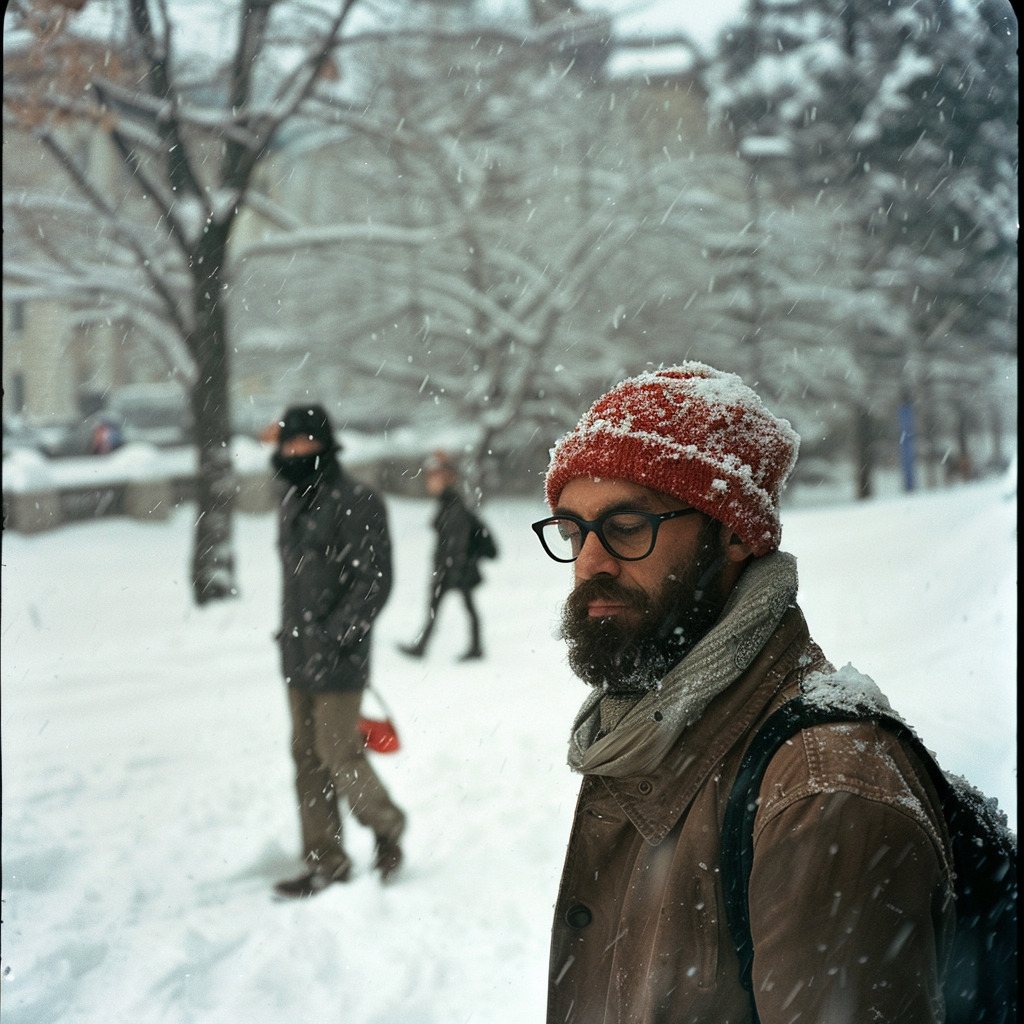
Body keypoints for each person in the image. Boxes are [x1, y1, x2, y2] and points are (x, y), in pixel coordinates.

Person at [533, 363, 954, 1022]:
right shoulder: (650, 728)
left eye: (625, 526)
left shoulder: (824, 792)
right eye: (571, 531)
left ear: (734, 534)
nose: (590, 562)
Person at [271, 404, 406, 897]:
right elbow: (298, 582)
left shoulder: (357, 500)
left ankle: (387, 825)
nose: (296, 451)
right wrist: (295, 635)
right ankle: (326, 861)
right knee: (306, 759)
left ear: (326, 445)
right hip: (296, 654)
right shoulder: (291, 501)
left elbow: (374, 581)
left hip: (339, 657)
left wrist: (335, 635)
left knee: (338, 753)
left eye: (305, 441)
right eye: (289, 443)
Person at [398, 451, 491, 661]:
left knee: (452, 607)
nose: (429, 482)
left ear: (446, 478)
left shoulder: (452, 505)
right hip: (453, 567)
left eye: (434, 477)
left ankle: (469, 648)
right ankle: (471, 647)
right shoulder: (447, 502)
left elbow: (456, 542)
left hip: (454, 568)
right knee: (460, 607)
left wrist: (450, 569)